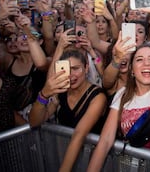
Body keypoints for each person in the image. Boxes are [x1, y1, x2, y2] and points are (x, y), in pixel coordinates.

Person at [87, 5, 150, 171]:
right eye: (139, 59)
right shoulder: (122, 95)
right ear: (131, 69)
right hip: (131, 166)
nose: (146, 63)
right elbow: (105, 141)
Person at [29, 39, 107, 172]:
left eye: (75, 68)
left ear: (86, 68)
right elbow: (35, 122)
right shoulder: (61, 93)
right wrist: (43, 95)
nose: (71, 75)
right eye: (66, 70)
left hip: (93, 161)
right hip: (65, 154)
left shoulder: (98, 97)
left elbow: (79, 134)